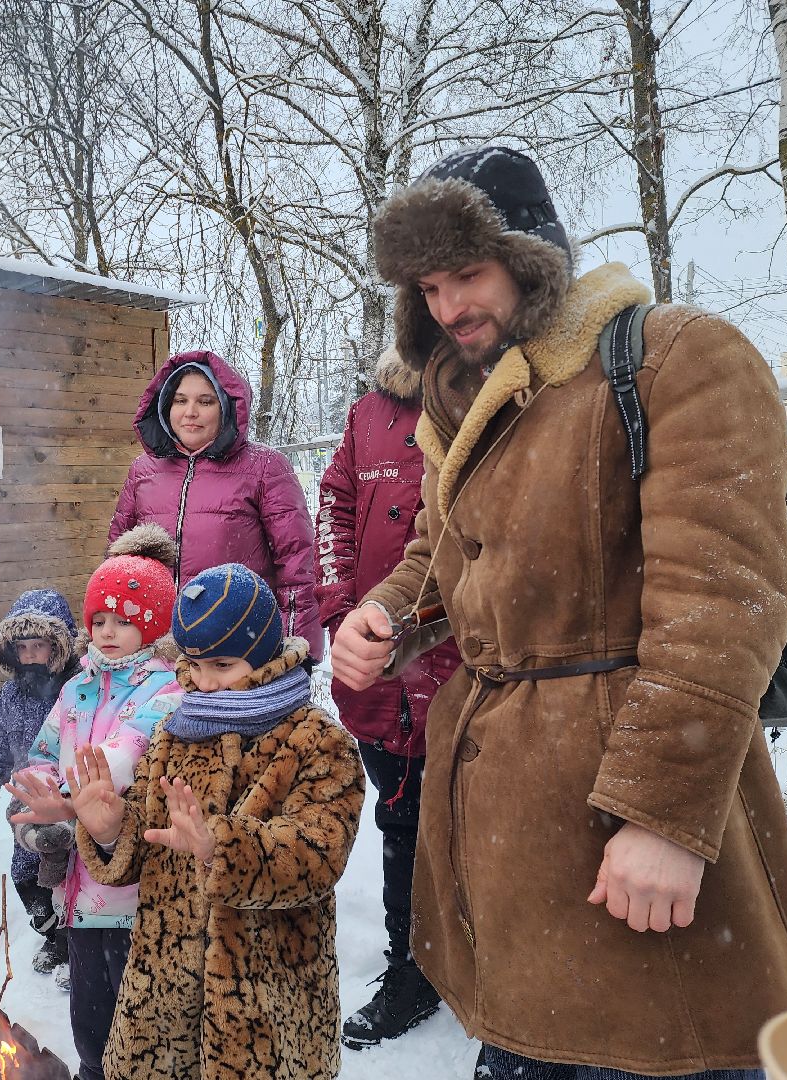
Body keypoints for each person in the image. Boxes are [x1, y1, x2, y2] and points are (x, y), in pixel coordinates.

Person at [329, 146, 787, 1079]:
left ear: (530, 255)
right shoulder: (467, 403)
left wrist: (664, 817)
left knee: (657, 1051)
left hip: (630, 834)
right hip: (507, 845)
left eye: (466, 275)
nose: (447, 308)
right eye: (428, 287)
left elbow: (720, 605)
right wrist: (388, 616)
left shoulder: (675, 357)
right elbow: (437, 559)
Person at [66, 562, 364, 1080]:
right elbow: (149, 841)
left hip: (266, 998)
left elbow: (317, 853)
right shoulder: (175, 732)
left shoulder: (316, 741)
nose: (204, 682)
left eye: (223, 665)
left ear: (265, 654)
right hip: (163, 996)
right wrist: (113, 828)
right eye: (195, 664)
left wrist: (220, 849)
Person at [314, 347, 463, 1049]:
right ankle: (412, 965)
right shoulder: (367, 415)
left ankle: (477, 960)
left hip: (463, 664)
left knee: (477, 819)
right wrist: (345, 606)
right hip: (375, 666)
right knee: (399, 815)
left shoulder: (477, 399)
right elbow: (335, 508)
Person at [4, 526, 182, 1080]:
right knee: (88, 1012)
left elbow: (118, 760)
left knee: (139, 1012)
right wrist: (34, 794)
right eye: (99, 621)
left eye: (124, 620)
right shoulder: (77, 687)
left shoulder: (165, 690)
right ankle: (91, 1069)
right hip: (82, 890)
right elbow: (45, 749)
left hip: (136, 886)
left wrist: (64, 804)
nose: (107, 632)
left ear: (152, 625)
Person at [109, 349, 324, 659]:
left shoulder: (264, 467)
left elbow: (297, 564)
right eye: (180, 400)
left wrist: (298, 648)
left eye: (205, 401)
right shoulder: (143, 471)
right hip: (155, 649)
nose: (190, 412)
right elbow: (117, 561)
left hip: (236, 644)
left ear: (226, 407)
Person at [0, 588, 82, 981]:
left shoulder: (79, 687)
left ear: (60, 646)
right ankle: (53, 934)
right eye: (23, 647)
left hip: (69, 803)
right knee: (27, 878)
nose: (31, 655)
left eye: (41, 645)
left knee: (69, 878)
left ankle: (78, 945)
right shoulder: (10, 696)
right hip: (25, 809)